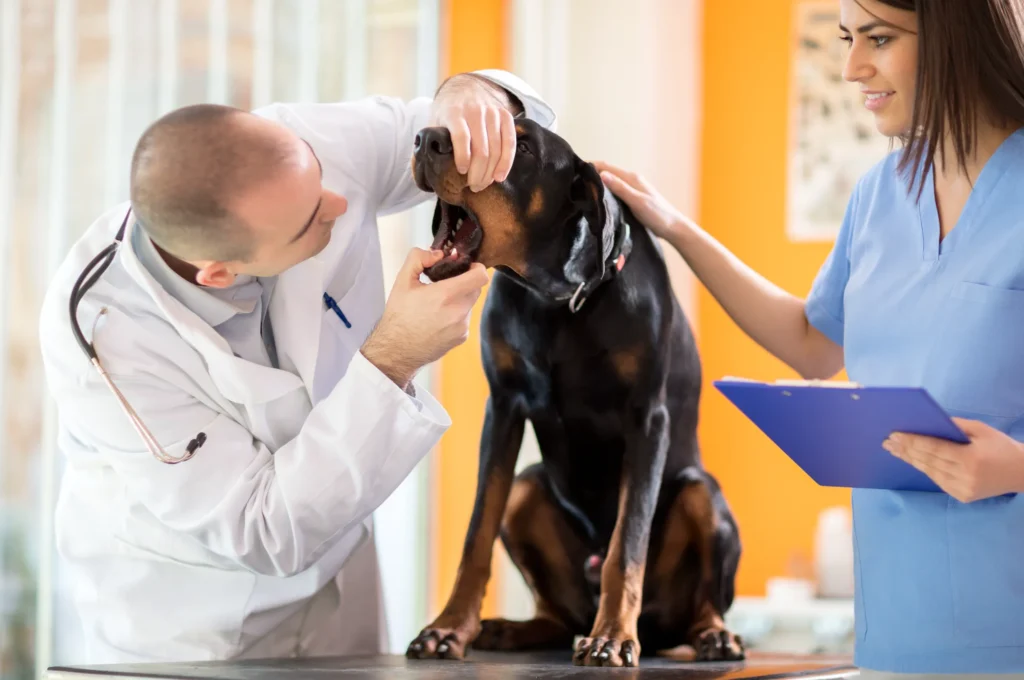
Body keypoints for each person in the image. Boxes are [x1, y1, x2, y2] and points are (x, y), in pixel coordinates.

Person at [38, 69, 555, 664]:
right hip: (198, 631)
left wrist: (471, 94)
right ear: (220, 273)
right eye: (313, 219)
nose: (339, 201)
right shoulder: (107, 340)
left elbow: (521, 134)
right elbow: (264, 530)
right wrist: (393, 358)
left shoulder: (305, 147)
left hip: (342, 585)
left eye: (318, 175)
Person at [595, 0, 1024, 675]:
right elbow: (812, 343)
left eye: (879, 39)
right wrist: (676, 228)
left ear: (953, 34)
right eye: (849, 39)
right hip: (893, 642)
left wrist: (1017, 468)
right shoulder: (881, 195)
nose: (853, 68)